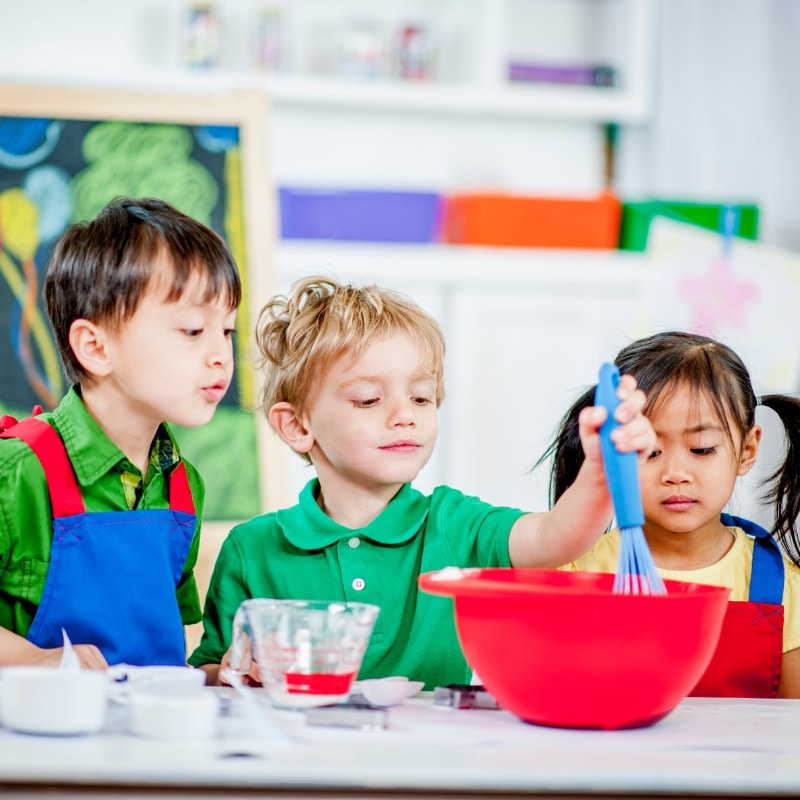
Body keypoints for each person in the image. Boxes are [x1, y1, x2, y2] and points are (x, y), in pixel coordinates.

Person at [189, 275, 654, 688]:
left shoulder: (452, 523)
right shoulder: (251, 549)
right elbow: (211, 673)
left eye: (421, 396)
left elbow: (555, 539)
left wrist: (599, 473)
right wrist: (234, 673)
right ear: (297, 426)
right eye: (369, 400)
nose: (404, 415)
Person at [0, 196, 241, 670]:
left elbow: (164, 654)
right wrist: (33, 660)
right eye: (193, 330)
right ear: (95, 346)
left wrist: (219, 674)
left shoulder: (183, 486)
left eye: (228, 331)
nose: (220, 355)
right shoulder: (17, 474)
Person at [546, 331, 800, 698]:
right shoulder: (574, 570)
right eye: (650, 451)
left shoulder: (784, 589)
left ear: (747, 450)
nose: (675, 473)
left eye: (701, 449)